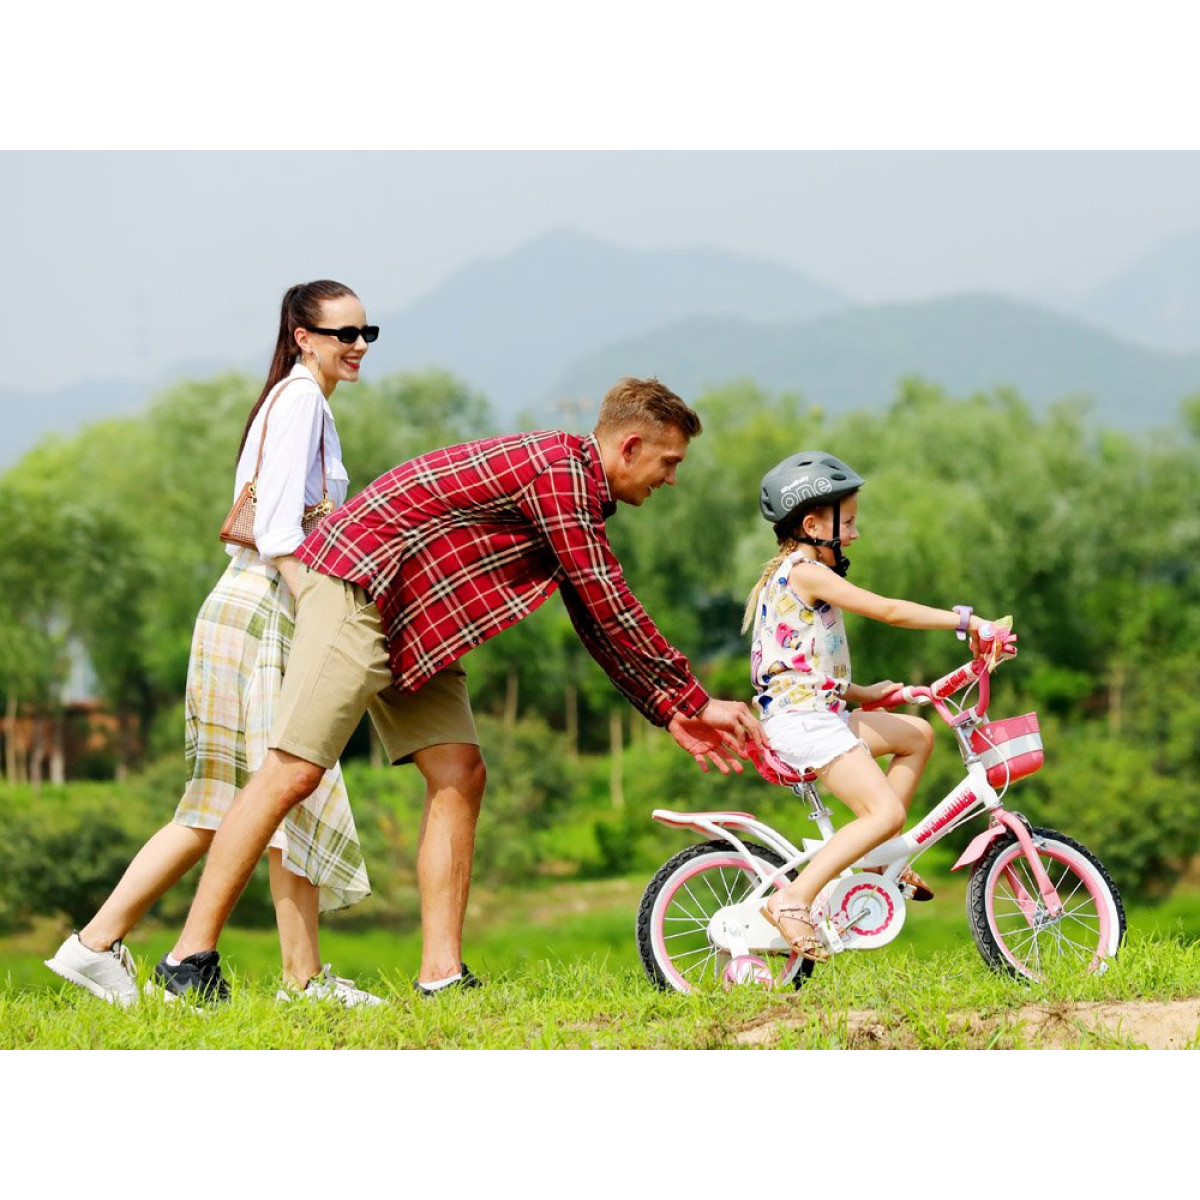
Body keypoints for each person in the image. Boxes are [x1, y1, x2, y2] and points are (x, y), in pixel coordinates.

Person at [152, 376, 766, 1001]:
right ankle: (186, 963)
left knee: (459, 771)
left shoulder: (575, 485)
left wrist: (668, 709)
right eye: (669, 462)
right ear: (630, 447)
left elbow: (591, 613)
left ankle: (441, 974)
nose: (672, 478)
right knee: (293, 771)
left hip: (419, 619)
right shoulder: (560, 472)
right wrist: (695, 698)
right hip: (360, 588)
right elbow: (607, 599)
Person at [46, 280, 382, 1007]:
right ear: (303, 337)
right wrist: (319, 610)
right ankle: (300, 981)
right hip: (267, 606)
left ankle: (95, 946)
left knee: (231, 802)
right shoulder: (302, 401)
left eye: (367, 334)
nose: (358, 346)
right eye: (344, 334)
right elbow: (280, 531)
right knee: (290, 782)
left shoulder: (293, 401)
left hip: (243, 606)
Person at [744, 450, 1012, 962]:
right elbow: (888, 610)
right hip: (803, 724)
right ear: (811, 526)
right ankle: (794, 899)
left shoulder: (798, 575)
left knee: (917, 735)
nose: (855, 534)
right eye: (847, 523)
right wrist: (968, 622)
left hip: (818, 713)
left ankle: (875, 861)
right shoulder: (805, 572)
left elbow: (799, 666)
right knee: (885, 811)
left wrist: (864, 693)